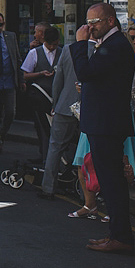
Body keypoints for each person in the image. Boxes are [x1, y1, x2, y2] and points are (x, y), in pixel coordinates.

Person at [69, 3, 135, 254]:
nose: (89, 27)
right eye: (88, 21)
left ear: (111, 21)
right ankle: (117, 235)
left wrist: (79, 44)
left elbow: (85, 72)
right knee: (109, 182)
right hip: (103, 122)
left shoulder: (116, 45)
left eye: (95, 21)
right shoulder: (109, 44)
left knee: (112, 182)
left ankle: (121, 237)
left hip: (107, 124)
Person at [37, 28, 79, 199]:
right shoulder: (98, 50)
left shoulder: (68, 50)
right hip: (89, 108)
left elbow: (58, 80)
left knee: (55, 147)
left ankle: (48, 187)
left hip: (65, 106)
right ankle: (88, 192)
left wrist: (55, 103)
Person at [22, 24, 62, 164]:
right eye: (50, 45)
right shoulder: (35, 53)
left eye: (55, 45)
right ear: (45, 41)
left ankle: (55, 158)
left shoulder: (62, 53)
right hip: (40, 96)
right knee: (42, 127)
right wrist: (40, 73)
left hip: (57, 97)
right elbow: (25, 75)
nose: (52, 48)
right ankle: (44, 155)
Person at [0, 12, 24, 154]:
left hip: (9, 81)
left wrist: (20, 79)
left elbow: (17, 58)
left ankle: (1, 136)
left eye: (0, 24)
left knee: (10, 112)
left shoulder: (10, 36)